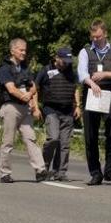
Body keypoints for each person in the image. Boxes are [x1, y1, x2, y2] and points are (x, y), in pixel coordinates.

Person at [77, 19, 111, 185]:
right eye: (93, 37)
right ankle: (95, 172)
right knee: (90, 136)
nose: (95, 40)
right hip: (91, 95)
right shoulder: (85, 52)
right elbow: (82, 73)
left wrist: (105, 74)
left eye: (98, 36)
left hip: (109, 95)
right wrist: (91, 83)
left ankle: (110, 170)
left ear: (105, 34)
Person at [0, 38, 48, 183]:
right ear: (12, 50)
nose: (24, 52)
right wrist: (24, 96)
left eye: (25, 50)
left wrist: (30, 96)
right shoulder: (4, 68)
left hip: (25, 108)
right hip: (11, 107)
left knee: (30, 138)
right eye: (21, 50)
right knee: (8, 141)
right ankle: (5, 173)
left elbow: (32, 86)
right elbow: (11, 89)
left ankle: (40, 170)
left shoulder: (25, 68)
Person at [34, 47, 80, 182]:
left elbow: (76, 88)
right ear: (57, 58)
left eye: (68, 61)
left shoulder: (71, 72)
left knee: (64, 144)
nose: (66, 63)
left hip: (67, 111)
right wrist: (35, 107)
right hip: (51, 110)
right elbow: (35, 88)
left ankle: (60, 172)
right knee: (53, 138)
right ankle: (43, 169)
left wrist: (78, 106)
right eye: (64, 60)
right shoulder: (46, 70)